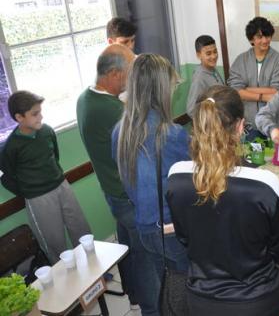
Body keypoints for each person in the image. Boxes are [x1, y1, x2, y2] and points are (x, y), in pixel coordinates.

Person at [166, 85, 279, 316]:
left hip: (202, 302)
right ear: (241, 126)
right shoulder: (265, 185)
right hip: (257, 302)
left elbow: (184, 238)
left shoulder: (176, 178)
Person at [112, 54, 190, 316]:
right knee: (184, 288)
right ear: (160, 89)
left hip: (145, 227)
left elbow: (127, 181)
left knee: (165, 284)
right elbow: (193, 181)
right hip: (172, 229)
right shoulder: (173, 134)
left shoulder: (119, 131)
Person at [76, 44, 144, 310]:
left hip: (111, 188)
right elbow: (139, 149)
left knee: (125, 245)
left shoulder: (85, 98)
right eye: (129, 72)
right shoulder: (111, 110)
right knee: (143, 252)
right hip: (126, 192)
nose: (131, 78)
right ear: (115, 74)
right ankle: (147, 303)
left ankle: (133, 294)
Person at [0, 91, 91, 263]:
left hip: (61, 185)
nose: (40, 116)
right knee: (54, 242)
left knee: (80, 228)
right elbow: (7, 177)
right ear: (19, 117)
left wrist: (55, 177)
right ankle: (69, 282)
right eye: (35, 114)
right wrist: (29, 190)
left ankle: (95, 268)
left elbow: (54, 157)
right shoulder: (11, 146)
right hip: (38, 198)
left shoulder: (47, 131)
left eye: (40, 111)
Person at [228, 16, 279, 140]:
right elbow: (235, 91)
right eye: (260, 37)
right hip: (248, 126)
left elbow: (277, 91)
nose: (265, 40)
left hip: (273, 124)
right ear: (251, 39)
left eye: (267, 36)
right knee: (250, 158)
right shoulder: (241, 60)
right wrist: (262, 96)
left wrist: (246, 89)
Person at [186, 35, 225, 117]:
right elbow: (191, 110)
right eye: (208, 53)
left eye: (215, 51)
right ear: (198, 55)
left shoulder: (212, 69)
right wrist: (210, 121)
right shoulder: (199, 78)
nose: (213, 56)